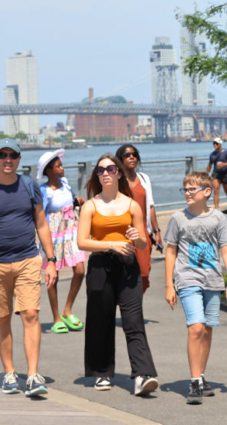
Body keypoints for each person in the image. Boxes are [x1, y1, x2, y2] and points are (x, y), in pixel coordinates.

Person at [0, 138, 58, 398]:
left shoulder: (29, 186)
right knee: (2, 317)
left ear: (19, 159)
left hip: (28, 259)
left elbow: (41, 224)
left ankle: (32, 375)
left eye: (12, 155)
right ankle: (9, 372)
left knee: (30, 313)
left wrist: (51, 261)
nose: (7, 159)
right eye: (2, 154)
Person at [76, 153, 158, 395]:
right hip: (100, 265)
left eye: (111, 169)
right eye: (100, 170)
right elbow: (82, 242)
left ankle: (143, 375)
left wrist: (137, 238)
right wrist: (110, 245)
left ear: (119, 173)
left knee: (133, 321)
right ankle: (102, 373)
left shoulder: (132, 205)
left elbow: (143, 243)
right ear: (97, 176)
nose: (105, 173)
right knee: (100, 320)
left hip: (127, 265)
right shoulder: (90, 206)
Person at [164, 171, 227, 405]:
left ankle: (201, 375)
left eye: (191, 189)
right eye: (184, 189)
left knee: (206, 330)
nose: (187, 193)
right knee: (195, 327)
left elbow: (226, 249)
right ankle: (194, 381)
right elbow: (171, 251)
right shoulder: (178, 218)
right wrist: (169, 285)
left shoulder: (218, 218)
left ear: (206, 192)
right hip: (187, 279)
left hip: (213, 280)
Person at [37, 149, 87, 334]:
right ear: (49, 171)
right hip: (53, 235)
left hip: (71, 232)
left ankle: (67, 309)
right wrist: (45, 242)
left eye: (61, 165)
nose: (62, 168)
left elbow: (71, 201)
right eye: (58, 166)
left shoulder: (65, 184)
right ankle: (56, 317)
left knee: (80, 270)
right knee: (53, 277)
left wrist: (78, 201)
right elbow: (41, 217)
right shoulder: (44, 191)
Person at [116, 144, 161, 292]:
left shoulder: (144, 179)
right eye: (127, 155)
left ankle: (133, 307)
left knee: (144, 273)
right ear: (120, 159)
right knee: (124, 275)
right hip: (123, 235)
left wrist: (157, 231)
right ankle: (129, 309)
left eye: (134, 154)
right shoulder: (116, 181)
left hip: (143, 235)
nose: (131, 157)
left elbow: (151, 206)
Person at [205, 138, 227, 209]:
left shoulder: (226, 152)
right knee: (216, 189)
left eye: (216, 143)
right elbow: (210, 164)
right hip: (216, 173)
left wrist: (224, 164)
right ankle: (216, 208)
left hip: (225, 173)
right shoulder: (212, 154)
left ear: (220, 144)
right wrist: (206, 174)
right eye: (214, 143)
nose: (215, 145)